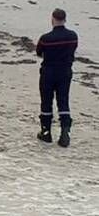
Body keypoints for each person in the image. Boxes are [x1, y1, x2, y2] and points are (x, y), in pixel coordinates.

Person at [36, 8, 78, 147]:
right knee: (63, 100)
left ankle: (46, 132)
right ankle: (65, 131)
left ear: (52, 19)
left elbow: (39, 52)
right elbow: (73, 50)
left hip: (48, 71)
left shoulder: (46, 38)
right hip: (65, 71)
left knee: (46, 101)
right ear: (65, 19)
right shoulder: (73, 36)